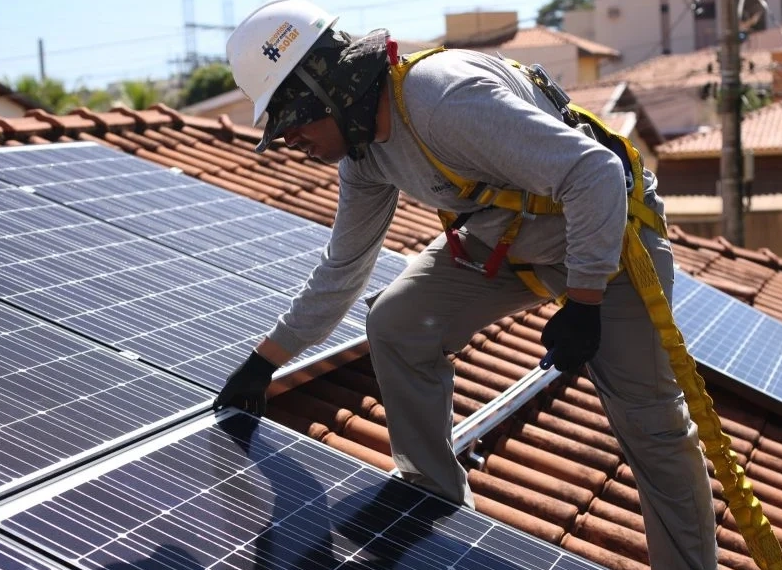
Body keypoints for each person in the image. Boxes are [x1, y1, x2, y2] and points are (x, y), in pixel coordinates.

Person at [214, 1, 718, 568]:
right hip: (510, 238)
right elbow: (343, 269)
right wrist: (266, 361)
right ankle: (432, 494)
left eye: (292, 124)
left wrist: (584, 300)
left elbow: (595, 173)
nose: (294, 142)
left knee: (651, 425)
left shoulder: (442, 99)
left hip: (609, 237)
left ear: (325, 92)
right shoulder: (364, 159)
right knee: (397, 322)